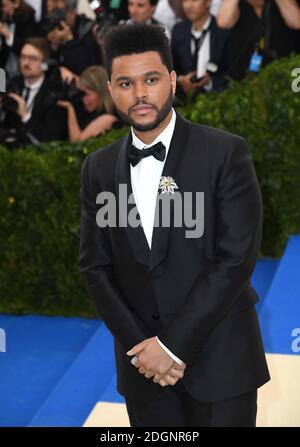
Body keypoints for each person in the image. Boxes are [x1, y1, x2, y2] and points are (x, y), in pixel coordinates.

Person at [78, 23, 270, 427]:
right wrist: (142, 349)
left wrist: (171, 347)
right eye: (126, 83)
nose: (140, 94)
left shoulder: (225, 152)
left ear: (171, 80)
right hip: (143, 369)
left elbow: (235, 259)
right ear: (112, 90)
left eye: (150, 79)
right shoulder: (97, 168)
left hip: (221, 361)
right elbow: (95, 266)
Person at [0, 37, 67, 146]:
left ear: (45, 63)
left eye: (33, 58)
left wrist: (25, 116)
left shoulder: (54, 94)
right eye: (23, 57)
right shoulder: (13, 85)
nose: (26, 63)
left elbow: (50, 138)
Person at [217, 0, 300, 81]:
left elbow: (296, 23)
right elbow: (223, 22)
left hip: (280, 73)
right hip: (242, 75)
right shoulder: (239, 4)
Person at [171, 0, 232, 99]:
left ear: (208, 2)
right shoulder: (179, 30)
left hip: (217, 100)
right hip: (184, 102)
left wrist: (209, 83)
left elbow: (231, 73)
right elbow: (172, 66)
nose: (189, 6)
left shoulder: (222, 31)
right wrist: (181, 79)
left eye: (194, 0)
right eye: (185, 1)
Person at [57, 66, 118, 142]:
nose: (83, 99)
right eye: (81, 94)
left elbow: (78, 144)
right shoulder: (84, 112)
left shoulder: (107, 117)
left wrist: (69, 108)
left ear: (100, 92)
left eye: (86, 94)